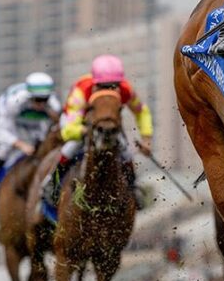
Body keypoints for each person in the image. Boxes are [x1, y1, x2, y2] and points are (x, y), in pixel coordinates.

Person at [40, 54, 152, 203]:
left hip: (107, 125)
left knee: (126, 151)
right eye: (103, 87)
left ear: (120, 83)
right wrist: (85, 131)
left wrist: (146, 140)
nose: (109, 91)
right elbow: (68, 130)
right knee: (71, 147)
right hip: (79, 123)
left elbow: (142, 112)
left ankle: (133, 187)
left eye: (114, 86)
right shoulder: (80, 93)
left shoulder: (126, 90)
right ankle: (51, 183)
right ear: (94, 84)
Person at [0, 72, 61, 196]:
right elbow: (0, 131)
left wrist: (56, 118)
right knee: (6, 148)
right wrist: (20, 144)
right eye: (37, 100)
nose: (41, 104)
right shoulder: (13, 103)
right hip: (14, 120)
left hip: (35, 123)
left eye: (44, 100)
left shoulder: (54, 105)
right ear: (29, 97)